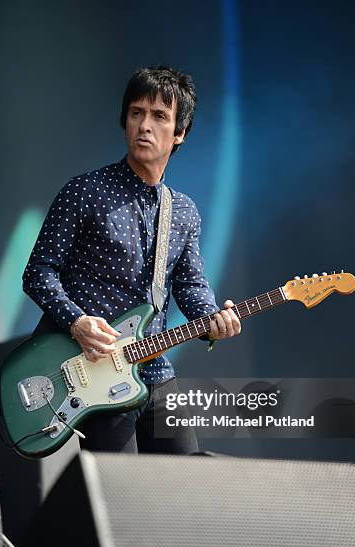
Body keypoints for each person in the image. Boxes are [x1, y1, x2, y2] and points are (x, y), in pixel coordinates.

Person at [22, 65, 241, 454]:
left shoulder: (185, 211)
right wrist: (76, 322)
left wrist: (213, 322)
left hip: (155, 369)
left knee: (188, 487)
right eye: (136, 113)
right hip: (95, 370)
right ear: (124, 120)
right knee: (120, 501)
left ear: (180, 134)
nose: (145, 125)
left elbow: (190, 286)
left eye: (160, 117)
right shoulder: (84, 191)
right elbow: (39, 272)